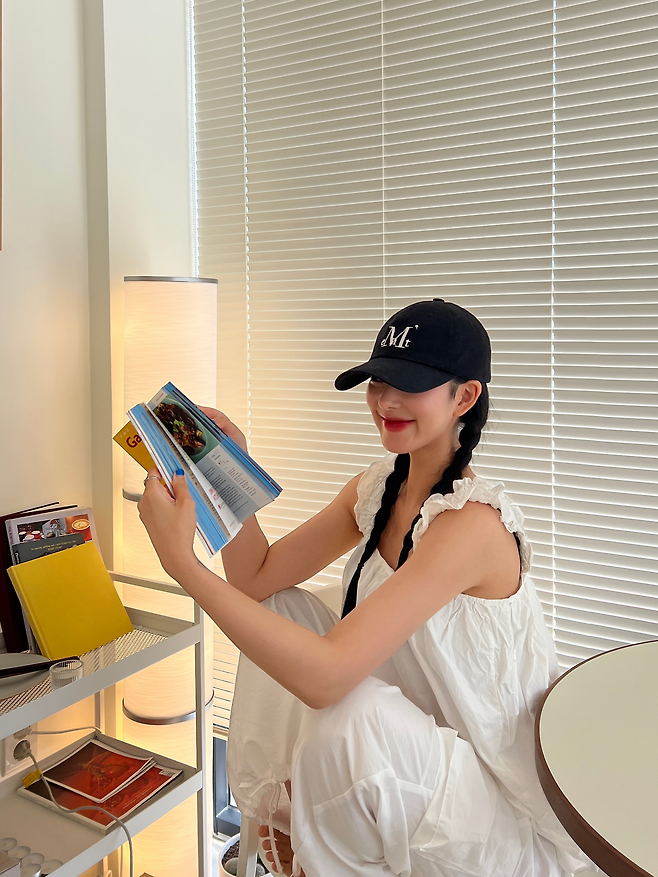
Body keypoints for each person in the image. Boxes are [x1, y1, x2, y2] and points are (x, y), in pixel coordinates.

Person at [138, 300, 595, 877]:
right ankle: (289, 813)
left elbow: (327, 680)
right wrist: (225, 470)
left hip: (494, 812)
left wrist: (182, 563)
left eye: (410, 385)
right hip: (412, 756)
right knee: (284, 609)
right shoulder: (378, 488)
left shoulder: (472, 525)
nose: (386, 402)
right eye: (378, 382)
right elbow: (255, 579)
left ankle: (319, 842)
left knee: (350, 713)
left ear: (464, 397)